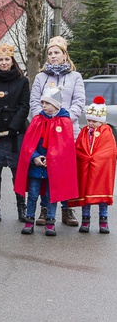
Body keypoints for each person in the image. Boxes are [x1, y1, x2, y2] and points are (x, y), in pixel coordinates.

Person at [29, 35, 85, 227]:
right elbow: (35, 101)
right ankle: (45, 208)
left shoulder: (75, 77)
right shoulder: (41, 77)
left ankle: (66, 208)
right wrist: (43, 119)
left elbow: (79, 102)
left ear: (64, 55)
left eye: (56, 53)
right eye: (50, 53)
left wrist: (65, 119)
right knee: (45, 169)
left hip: (68, 131)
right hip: (44, 131)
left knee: (66, 171)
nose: (53, 56)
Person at [15, 86, 79, 236]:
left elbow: (65, 147)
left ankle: (50, 223)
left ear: (56, 105)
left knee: (52, 196)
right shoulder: (38, 120)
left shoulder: (64, 121)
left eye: (47, 103)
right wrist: (34, 157)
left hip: (53, 168)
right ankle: (29, 222)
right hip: (36, 166)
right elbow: (28, 144)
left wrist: (52, 159)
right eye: (42, 103)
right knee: (32, 194)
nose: (43, 106)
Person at [0, 43, 30, 221]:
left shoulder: (22, 80)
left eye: (6, 59)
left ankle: (21, 207)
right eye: (0, 60)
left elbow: (25, 106)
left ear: (12, 61)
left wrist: (13, 128)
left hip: (16, 132)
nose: (3, 62)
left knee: (17, 171)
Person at [70, 97, 116, 234]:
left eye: (94, 121)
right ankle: (85, 221)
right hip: (86, 167)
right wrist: (85, 157)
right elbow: (79, 146)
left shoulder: (107, 132)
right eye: (89, 120)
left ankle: (103, 222)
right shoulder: (84, 131)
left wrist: (95, 158)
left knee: (101, 195)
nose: (90, 123)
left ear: (101, 121)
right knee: (86, 194)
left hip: (101, 169)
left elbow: (110, 150)